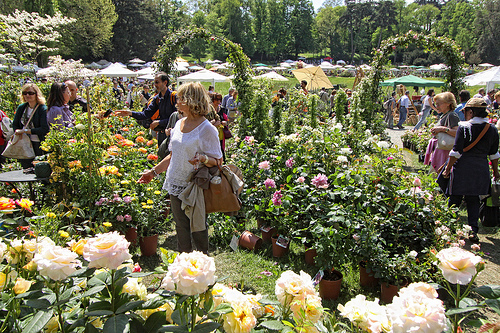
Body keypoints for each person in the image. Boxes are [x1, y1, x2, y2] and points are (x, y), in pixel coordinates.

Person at [138, 82, 223, 253]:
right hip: (175, 183)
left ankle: (201, 269)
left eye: (181, 99)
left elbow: (218, 161)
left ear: (192, 100)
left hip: (195, 186)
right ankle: (184, 268)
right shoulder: (178, 123)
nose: (177, 102)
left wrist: (203, 158)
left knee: (198, 228)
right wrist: (153, 172)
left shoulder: (207, 129)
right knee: (181, 228)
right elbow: (172, 155)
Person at [442, 98, 500, 243]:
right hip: (480, 169)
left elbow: (456, 152)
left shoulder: (464, 127)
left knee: (454, 198)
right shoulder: (492, 129)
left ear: (471, 112)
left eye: (466, 111)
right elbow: (494, 155)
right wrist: (496, 172)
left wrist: (447, 169)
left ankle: (450, 229)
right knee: (473, 200)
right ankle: (473, 230)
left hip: (462, 168)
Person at [115, 72, 177, 146]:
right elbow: (146, 114)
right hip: (162, 134)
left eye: (157, 82)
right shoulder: (157, 98)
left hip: (174, 135)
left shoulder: (174, 96)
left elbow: (177, 119)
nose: (155, 85)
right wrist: (130, 113)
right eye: (154, 83)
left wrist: (159, 122)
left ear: (165, 82)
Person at [12, 83, 50, 170]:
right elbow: (15, 124)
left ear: (37, 94)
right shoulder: (22, 107)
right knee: (26, 167)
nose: (27, 95)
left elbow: (44, 129)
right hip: (24, 143)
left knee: (39, 167)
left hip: (38, 143)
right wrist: (17, 132)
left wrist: (26, 131)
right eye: (25, 93)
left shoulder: (42, 109)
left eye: (30, 93)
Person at [425, 92, 459, 172]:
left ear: (448, 104)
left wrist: (442, 129)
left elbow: (457, 132)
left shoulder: (452, 115)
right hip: (441, 148)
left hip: (446, 150)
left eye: (439, 104)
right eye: (436, 104)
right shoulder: (444, 115)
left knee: (439, 173)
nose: (437, 107)